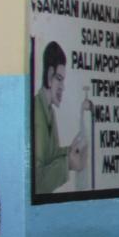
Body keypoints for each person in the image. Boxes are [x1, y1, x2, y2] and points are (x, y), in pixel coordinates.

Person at [32, 41, 91, 195]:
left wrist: (70, 151)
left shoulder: (48, 111)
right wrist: (68, 164)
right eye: (59, 78)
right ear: (49, 75)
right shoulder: (37, 113)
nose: (63, 87)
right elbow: (36, 182)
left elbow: (50, 156)